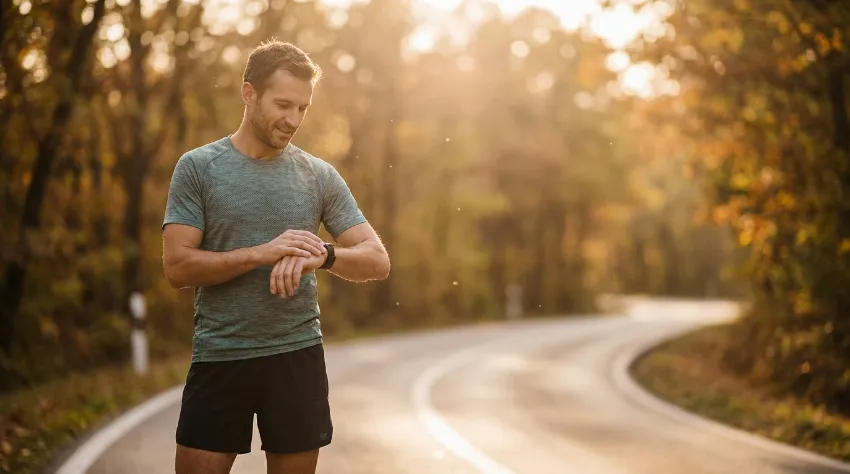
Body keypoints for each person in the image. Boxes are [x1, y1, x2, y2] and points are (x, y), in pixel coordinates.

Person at [161, 39, 390, 474]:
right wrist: (260, 254)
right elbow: (177, 267)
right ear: (249, 94)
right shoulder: (198, 168)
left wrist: (321, 256)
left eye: (303, 108)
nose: (293, 120)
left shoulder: (318, 175)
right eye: (283, 104)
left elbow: (376, 260)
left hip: (296, 357)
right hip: (221, 356)